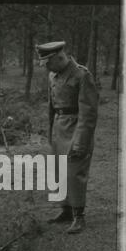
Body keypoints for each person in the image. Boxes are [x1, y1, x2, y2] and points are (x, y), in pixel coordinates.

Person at [36, 41, 98, 233]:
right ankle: (66, 210)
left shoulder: (81, 75)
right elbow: (51, 107)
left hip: (76, 127)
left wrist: (80, 141)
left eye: (48, 62)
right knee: (59, 171)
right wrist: (50, 132)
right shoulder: (53, 74)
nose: (46, 67)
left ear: (58, 57)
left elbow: (89, 113)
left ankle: (79, 216)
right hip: (59, 127)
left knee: (74, 172)